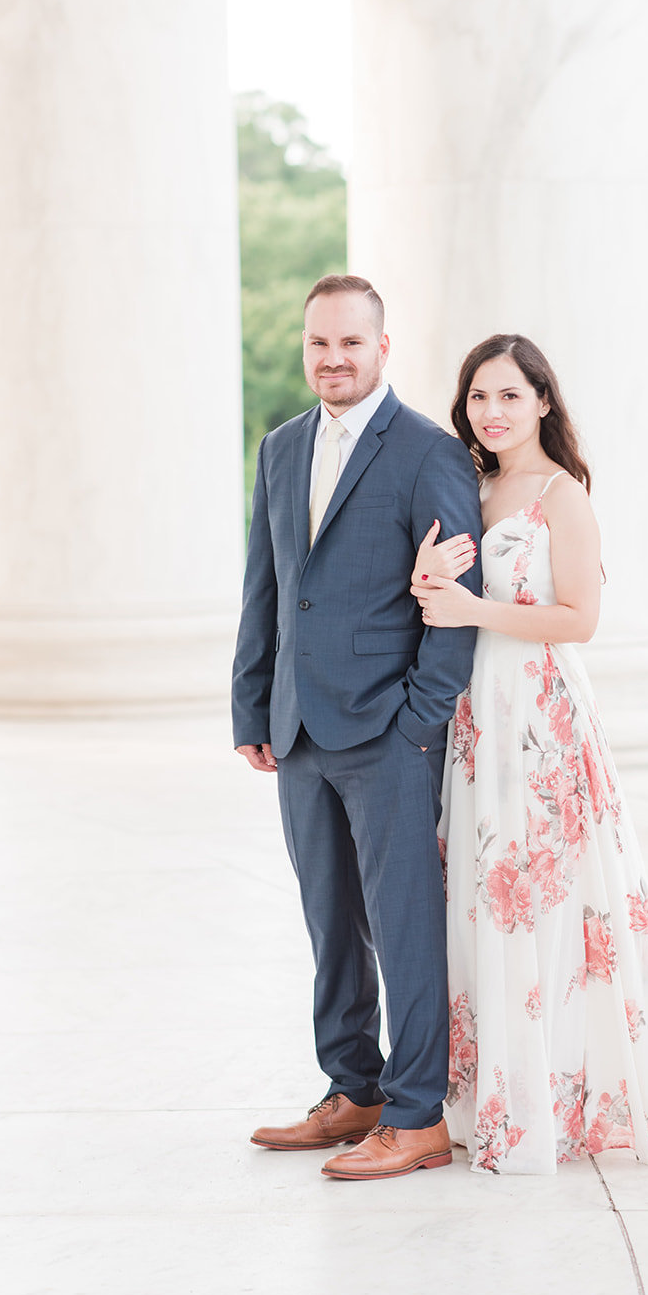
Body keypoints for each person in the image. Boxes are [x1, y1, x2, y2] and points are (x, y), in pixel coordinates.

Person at [412, 333, 648, 1174]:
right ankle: (494, 1098)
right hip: (476, 712)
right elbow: (438, 598)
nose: (493, 411)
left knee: (544, 901)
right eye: (480, 397)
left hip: (540, 711)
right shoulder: (469, 484)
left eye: (511, 395)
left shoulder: (561, 494)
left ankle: (554, 1101)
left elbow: (579, 618)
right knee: (482, 895)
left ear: (544, 401)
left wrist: (473, 611)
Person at [232, 274, 483, 1181]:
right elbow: (266, 586)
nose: (332, 358)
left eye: (350, 342)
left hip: (389, 732)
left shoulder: (427, 452)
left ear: (383, 348)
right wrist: (252, 706)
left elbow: (459, 603)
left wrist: (421, 721)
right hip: (297, 732)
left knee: (404, 925)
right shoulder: (281, 447)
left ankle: (418, 1117)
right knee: (329, 923)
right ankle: (355, 1089)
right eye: (318, 343)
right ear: (305, 348)